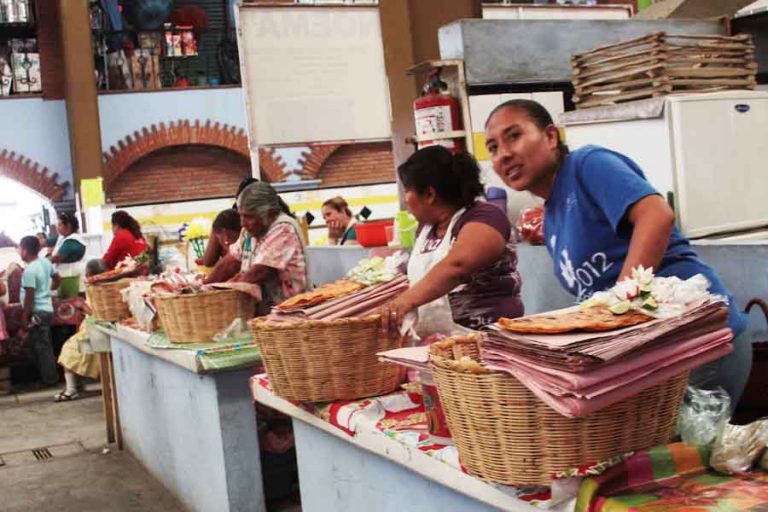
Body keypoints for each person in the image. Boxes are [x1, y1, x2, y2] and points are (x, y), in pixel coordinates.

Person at [483, 98, 751, 405]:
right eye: (492, 148)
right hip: (651, 359)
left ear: (550, 136)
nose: (504, 154)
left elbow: (656, 216)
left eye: (514, 136)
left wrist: (618, 306)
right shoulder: (552, 217)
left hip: (696, 343)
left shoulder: (587, 165)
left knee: (685, 453)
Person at [383, 145, 524, 337]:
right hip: (439, 345)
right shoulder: (426, 230)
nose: (406, 200)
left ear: (429, 194)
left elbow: (458, 265)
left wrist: (405, 300)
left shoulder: (485, 216)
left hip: (489, 342)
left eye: (407, 190)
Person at [206, 182, 308, 311]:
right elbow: (229, 264)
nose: (243, 223)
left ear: (269, 213)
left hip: (288, 312)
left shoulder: (283, 228)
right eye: (241, 216)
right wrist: (204, 289)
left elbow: (260, 272)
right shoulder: (249, 230)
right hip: (263, 311)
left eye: (249, 217)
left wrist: (229, 290)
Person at [54, 259, 106, 401]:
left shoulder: (101, 290)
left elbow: (100, 315)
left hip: (97, 330)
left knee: (68, 351)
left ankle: (71, 389)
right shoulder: (96, 287)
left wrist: (83, 307)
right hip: (91, 328)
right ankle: (75, 386)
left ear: (89, 273)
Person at [18, 236, 60, 387]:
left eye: (19, 248)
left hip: (37, 312)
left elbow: (30, 296)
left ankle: (49, 379)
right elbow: (57, 277)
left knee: (42, 347)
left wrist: (24, 317)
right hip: (47, 309)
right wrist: (49, 290)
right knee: (43, 344)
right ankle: (48, 377)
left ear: (24, 250)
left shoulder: (29, 270)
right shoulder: (45, 262)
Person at [48, 212, 87, 291]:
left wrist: (40, 262)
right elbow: (45, 242)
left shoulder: (72, 241)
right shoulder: (62, 237)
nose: (57, 227)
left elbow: (57, 258)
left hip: (72, 278)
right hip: (66, 277)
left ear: (68, 226)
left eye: (59, 225)